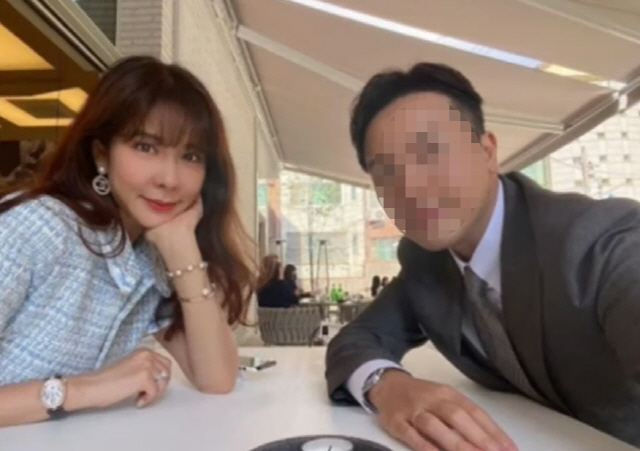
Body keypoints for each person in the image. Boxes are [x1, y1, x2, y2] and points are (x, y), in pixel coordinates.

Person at [325, 62, 640, 451]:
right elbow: (358, 338)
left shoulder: (600, 238)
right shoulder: (426, 261)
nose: (410, 186)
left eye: (431, 151)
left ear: (487, 151)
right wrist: (388, 386)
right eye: (386, 172)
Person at [0, 56, 255, 427]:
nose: (170, 179)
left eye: (190, 156)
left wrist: (181, 246)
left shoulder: (148, 254)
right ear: (101, 154)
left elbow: (216, 379)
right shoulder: (37, 228)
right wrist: (82, 390)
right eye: (146, 147)